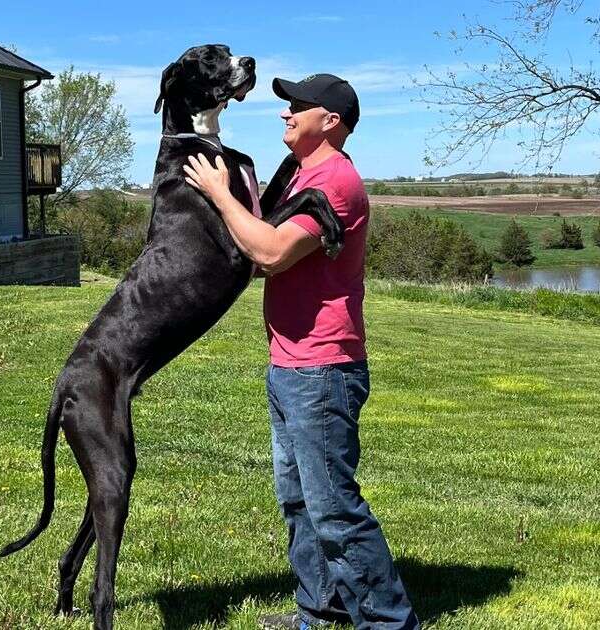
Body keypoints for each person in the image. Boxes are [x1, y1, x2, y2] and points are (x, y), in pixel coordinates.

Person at [182, 74, 419, 630]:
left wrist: (218, 191)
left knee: (333, 508)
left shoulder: (335, 180)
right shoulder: (299, 177)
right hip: (289, 362)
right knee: (299, 503)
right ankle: (322, 607)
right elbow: (261, 243)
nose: (285, 114)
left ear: (329, 120)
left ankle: (390, 623)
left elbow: (268, 250)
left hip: (322, 368)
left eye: (297, 107)